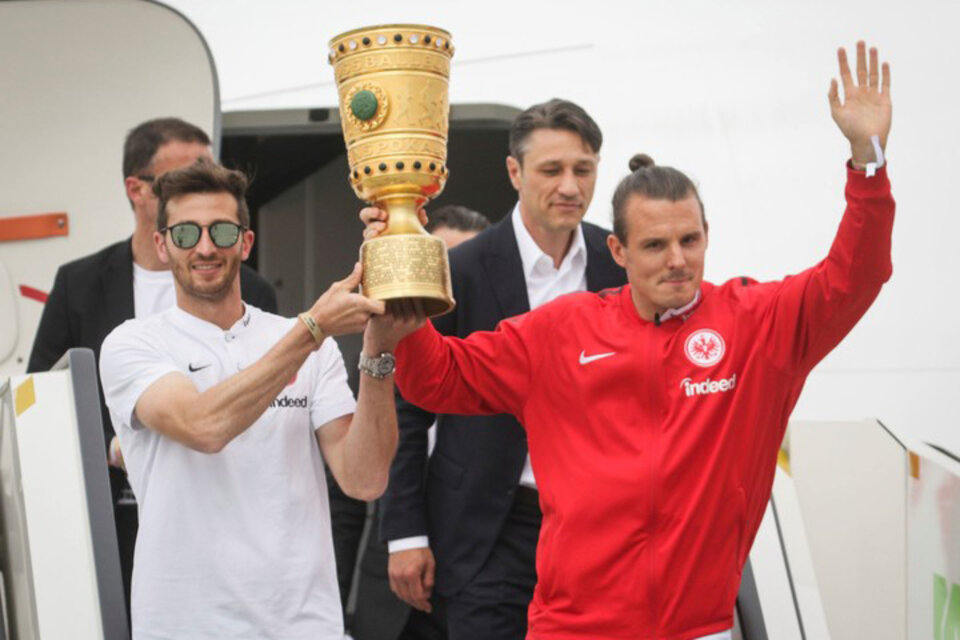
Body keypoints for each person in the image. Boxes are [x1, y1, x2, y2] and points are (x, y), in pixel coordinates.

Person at [369, 42, 894, 639]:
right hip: (572, 627)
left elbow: (857, 275)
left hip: (698, 628)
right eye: (654, 246)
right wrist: (402, 287)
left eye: (690, 241)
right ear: (617, 251)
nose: (677, 261)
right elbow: (438, 378)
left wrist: (867, 162)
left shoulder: (756, 323)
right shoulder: (561, 329)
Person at [99, 159, 418, 639]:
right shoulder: (133, 343)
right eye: (186, 234)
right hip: (185, 625)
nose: (205, 248)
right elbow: (203, 427)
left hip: (305, 624)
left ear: (246, 243)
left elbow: (365, 479)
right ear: (162, 245)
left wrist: (378, 349)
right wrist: (314, 327)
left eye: (222, 233)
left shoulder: (309, 343)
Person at [365, 99, 627, 639]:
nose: (570, 186)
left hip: (597, 528)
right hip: (486, 529)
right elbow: (410, 408)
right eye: (551, 170)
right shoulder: (459, 268)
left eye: (583, 169)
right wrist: (406, 533)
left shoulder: (618, 261)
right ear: (515, 172)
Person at [26, 118, 276, 610]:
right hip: (107, 519)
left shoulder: (255, 289)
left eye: (209, 171)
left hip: (224, 514)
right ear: (136, 191)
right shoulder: (80, 284)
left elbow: (269, 393)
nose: (197, 186)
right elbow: (41, 398)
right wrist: (112, 448)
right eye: (182, 176)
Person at [350, 204, 490, 640]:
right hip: (397, 583)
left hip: (487, 569)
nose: (448, 290)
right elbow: (348, 502)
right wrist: (404, 537)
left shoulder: (500, 356)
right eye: (442, 267)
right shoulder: (377, 358)